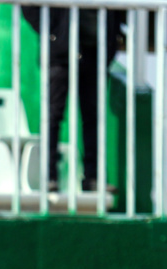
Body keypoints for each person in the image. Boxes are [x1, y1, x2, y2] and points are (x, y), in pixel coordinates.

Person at [22, 7, 124, 193]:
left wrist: (112, 39)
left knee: (93, 118)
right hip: (61, 54)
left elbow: (118, 11)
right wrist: (52, 33)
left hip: (95, 55)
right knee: (53, 115)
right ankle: (49, 176)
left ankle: (93, 178)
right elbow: (28, 6)